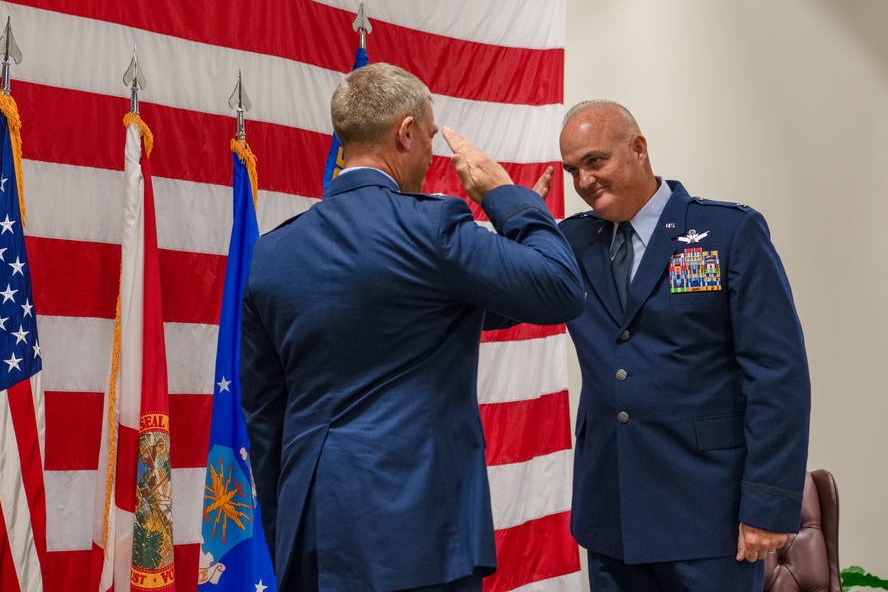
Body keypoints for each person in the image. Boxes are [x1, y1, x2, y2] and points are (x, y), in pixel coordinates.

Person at [240, 63, 585, 592]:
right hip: (420, 532)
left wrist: (286, 528)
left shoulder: (272, 252)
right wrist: (511, 199)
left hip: (313, 531)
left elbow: (265, 416)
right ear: (404, 132)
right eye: (428, 137)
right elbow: (561, 287)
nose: (430, 155)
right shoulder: (432, 226)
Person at [558, 100, 811, 591]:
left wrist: (766, 504)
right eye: (573, 170)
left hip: (707, 516)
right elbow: (496, 304)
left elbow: (778, 373)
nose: (584, 181)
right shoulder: (570, 242)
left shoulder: (728, 233)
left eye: (595, 161)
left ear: (638, 149)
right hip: (610, 514)